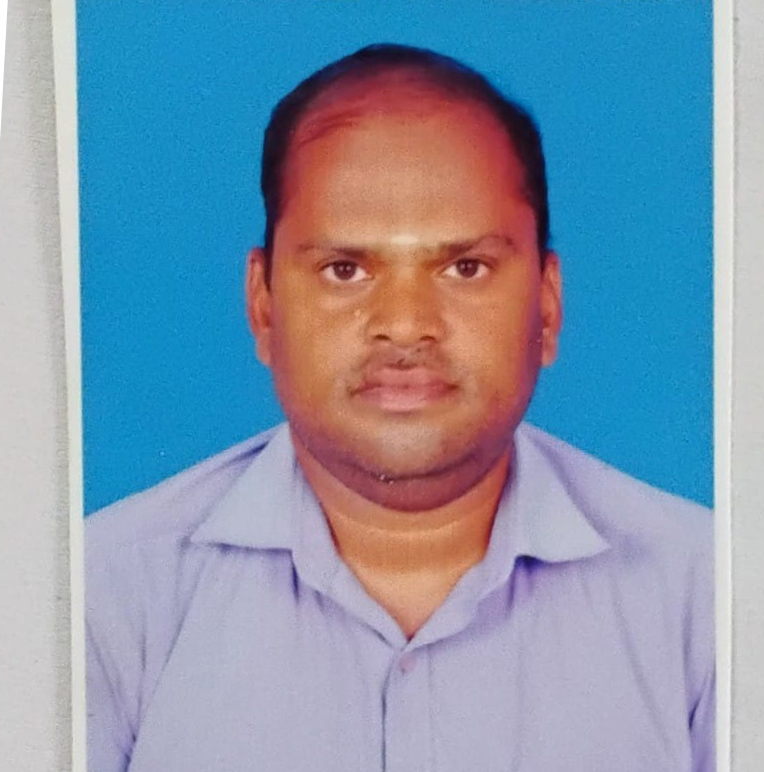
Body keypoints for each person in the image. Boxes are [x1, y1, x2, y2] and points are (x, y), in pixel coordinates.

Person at [85, 44, 714, 772]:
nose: (406, 325)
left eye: (465, 267)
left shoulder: (709, 599)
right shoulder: (101, 598)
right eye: (344, 269)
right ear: (263, 306)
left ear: (546, 306)